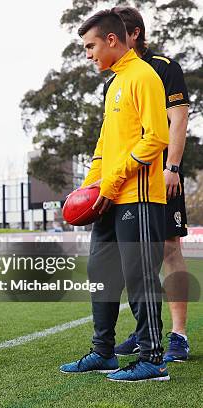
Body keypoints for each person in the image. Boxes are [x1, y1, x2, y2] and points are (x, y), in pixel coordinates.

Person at [59, 10, 170, 381]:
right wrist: (91, 187)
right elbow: (105, 146)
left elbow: (156, 138)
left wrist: (112, 183)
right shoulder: (114, 85)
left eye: (90, 46)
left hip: (137, 197)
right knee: (101, 272)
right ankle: (103, 352)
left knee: (139, 277)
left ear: (111, 40)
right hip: (107, 198)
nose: (88, 54)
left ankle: (153, 359)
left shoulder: (143, 76)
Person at [107, 6, 191, 363]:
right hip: (129, 181)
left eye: (115, 32)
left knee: (170, 248)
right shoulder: (114, 80)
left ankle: (178, 336)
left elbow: (178, 119)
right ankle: (145, 332)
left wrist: (172, 167)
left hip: (161, 174)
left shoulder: (164, 67)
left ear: (134, 33)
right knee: (139, 257)